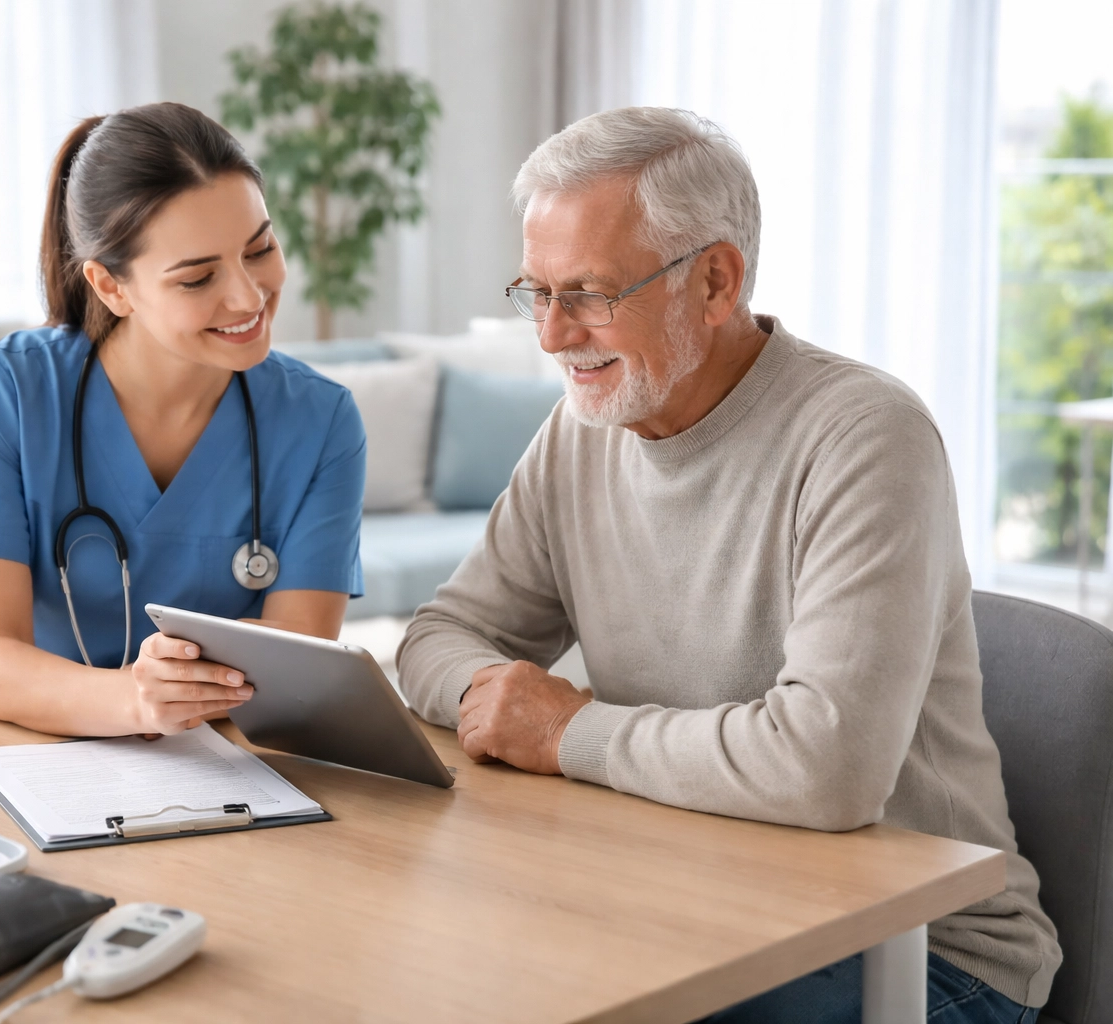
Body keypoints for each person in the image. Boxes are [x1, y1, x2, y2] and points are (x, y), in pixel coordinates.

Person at [396, 107, 1059, 1023]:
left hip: (924, 952)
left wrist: (566, 733)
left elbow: (825, 765)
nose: (551, 337)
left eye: (587, 293)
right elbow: (438, 637)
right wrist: (499, 696)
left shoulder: (866, 438)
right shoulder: (581, 433)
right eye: (536, 292)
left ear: (714, 279)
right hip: (694, 891)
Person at [0, 103, 366, 739]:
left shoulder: (320, 421)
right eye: (198, 278)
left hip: (198, 757)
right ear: (110, 286)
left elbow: (296, 651)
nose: (249, 297)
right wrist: (133, 699)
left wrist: (169, 698)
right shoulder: (3, 393)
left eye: (260, 249)